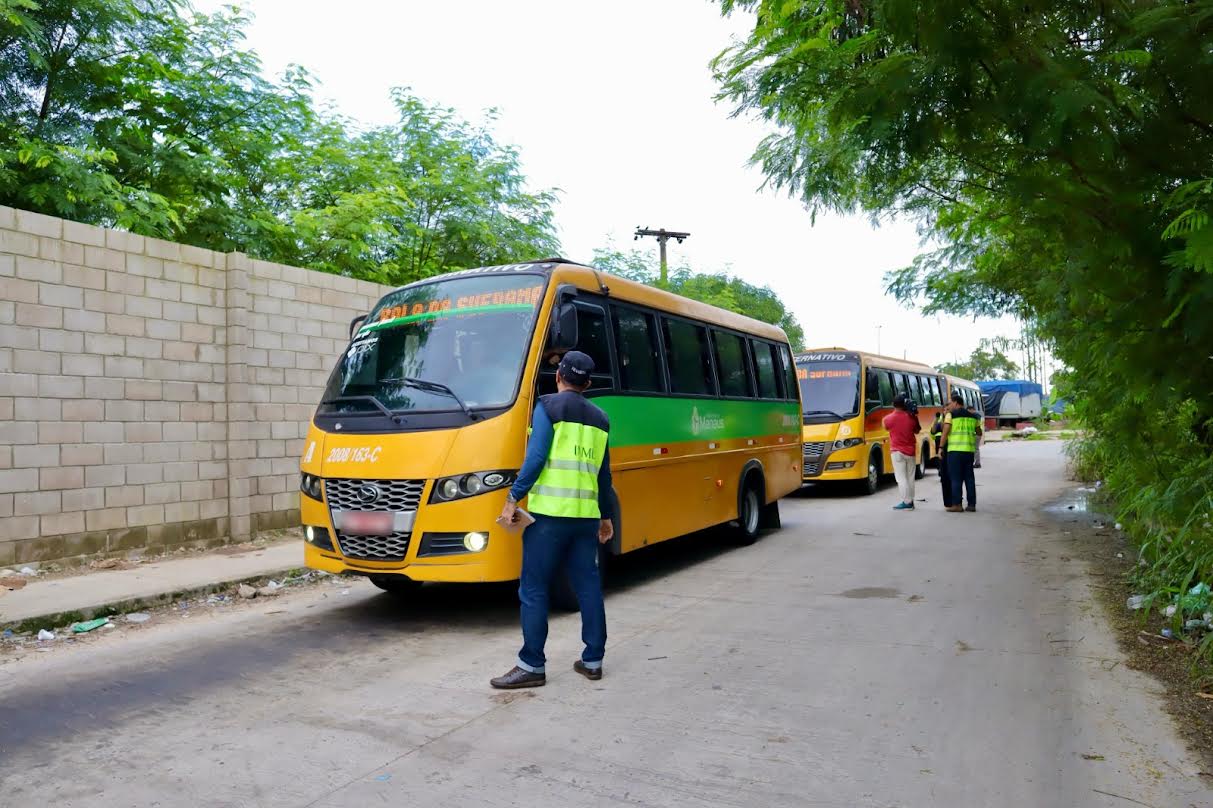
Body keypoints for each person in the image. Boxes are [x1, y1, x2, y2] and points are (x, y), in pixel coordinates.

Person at [491, 351, 614, 689]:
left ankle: (531, 665)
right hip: (585, 520)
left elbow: (535, 459)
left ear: (558, 376)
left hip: (548, 520)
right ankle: (593, 660)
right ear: (587, 384)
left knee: (533, 589)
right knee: (588, 587)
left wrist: (513, 497)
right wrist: (605, 517)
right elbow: (604, 476)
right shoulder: (601, 419)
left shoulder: (548, 407)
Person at [941, 391, 983, 512]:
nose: (949, 406)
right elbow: (979, 432)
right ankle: (971, 505)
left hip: (954, 451)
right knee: (969, 478)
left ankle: (957, 505)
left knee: (955, 478)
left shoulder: (950, 415)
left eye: (951, 403)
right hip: (969, 451)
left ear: (955, 402)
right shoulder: (973, 416)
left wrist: (940, 448)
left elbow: (945, 431)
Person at [882, 393, 921, 510]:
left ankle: (907, 502)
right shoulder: (912, 417)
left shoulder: (888, 419)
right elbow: (917, 430)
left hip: (897, 452)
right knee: (910, 477)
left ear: (893, 404)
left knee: (901, 478)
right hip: (911, 451)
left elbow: (885, 427)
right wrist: (913, 415)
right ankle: (911, 500)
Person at [931, 410, 952, 508]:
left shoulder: (951, 421)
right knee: (941, 464)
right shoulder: (939, 422)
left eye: (947, 410)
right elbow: (933, 431)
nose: (945, 412)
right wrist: (936, 419)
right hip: (940, 444)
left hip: (950, 447)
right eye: (944, 410)